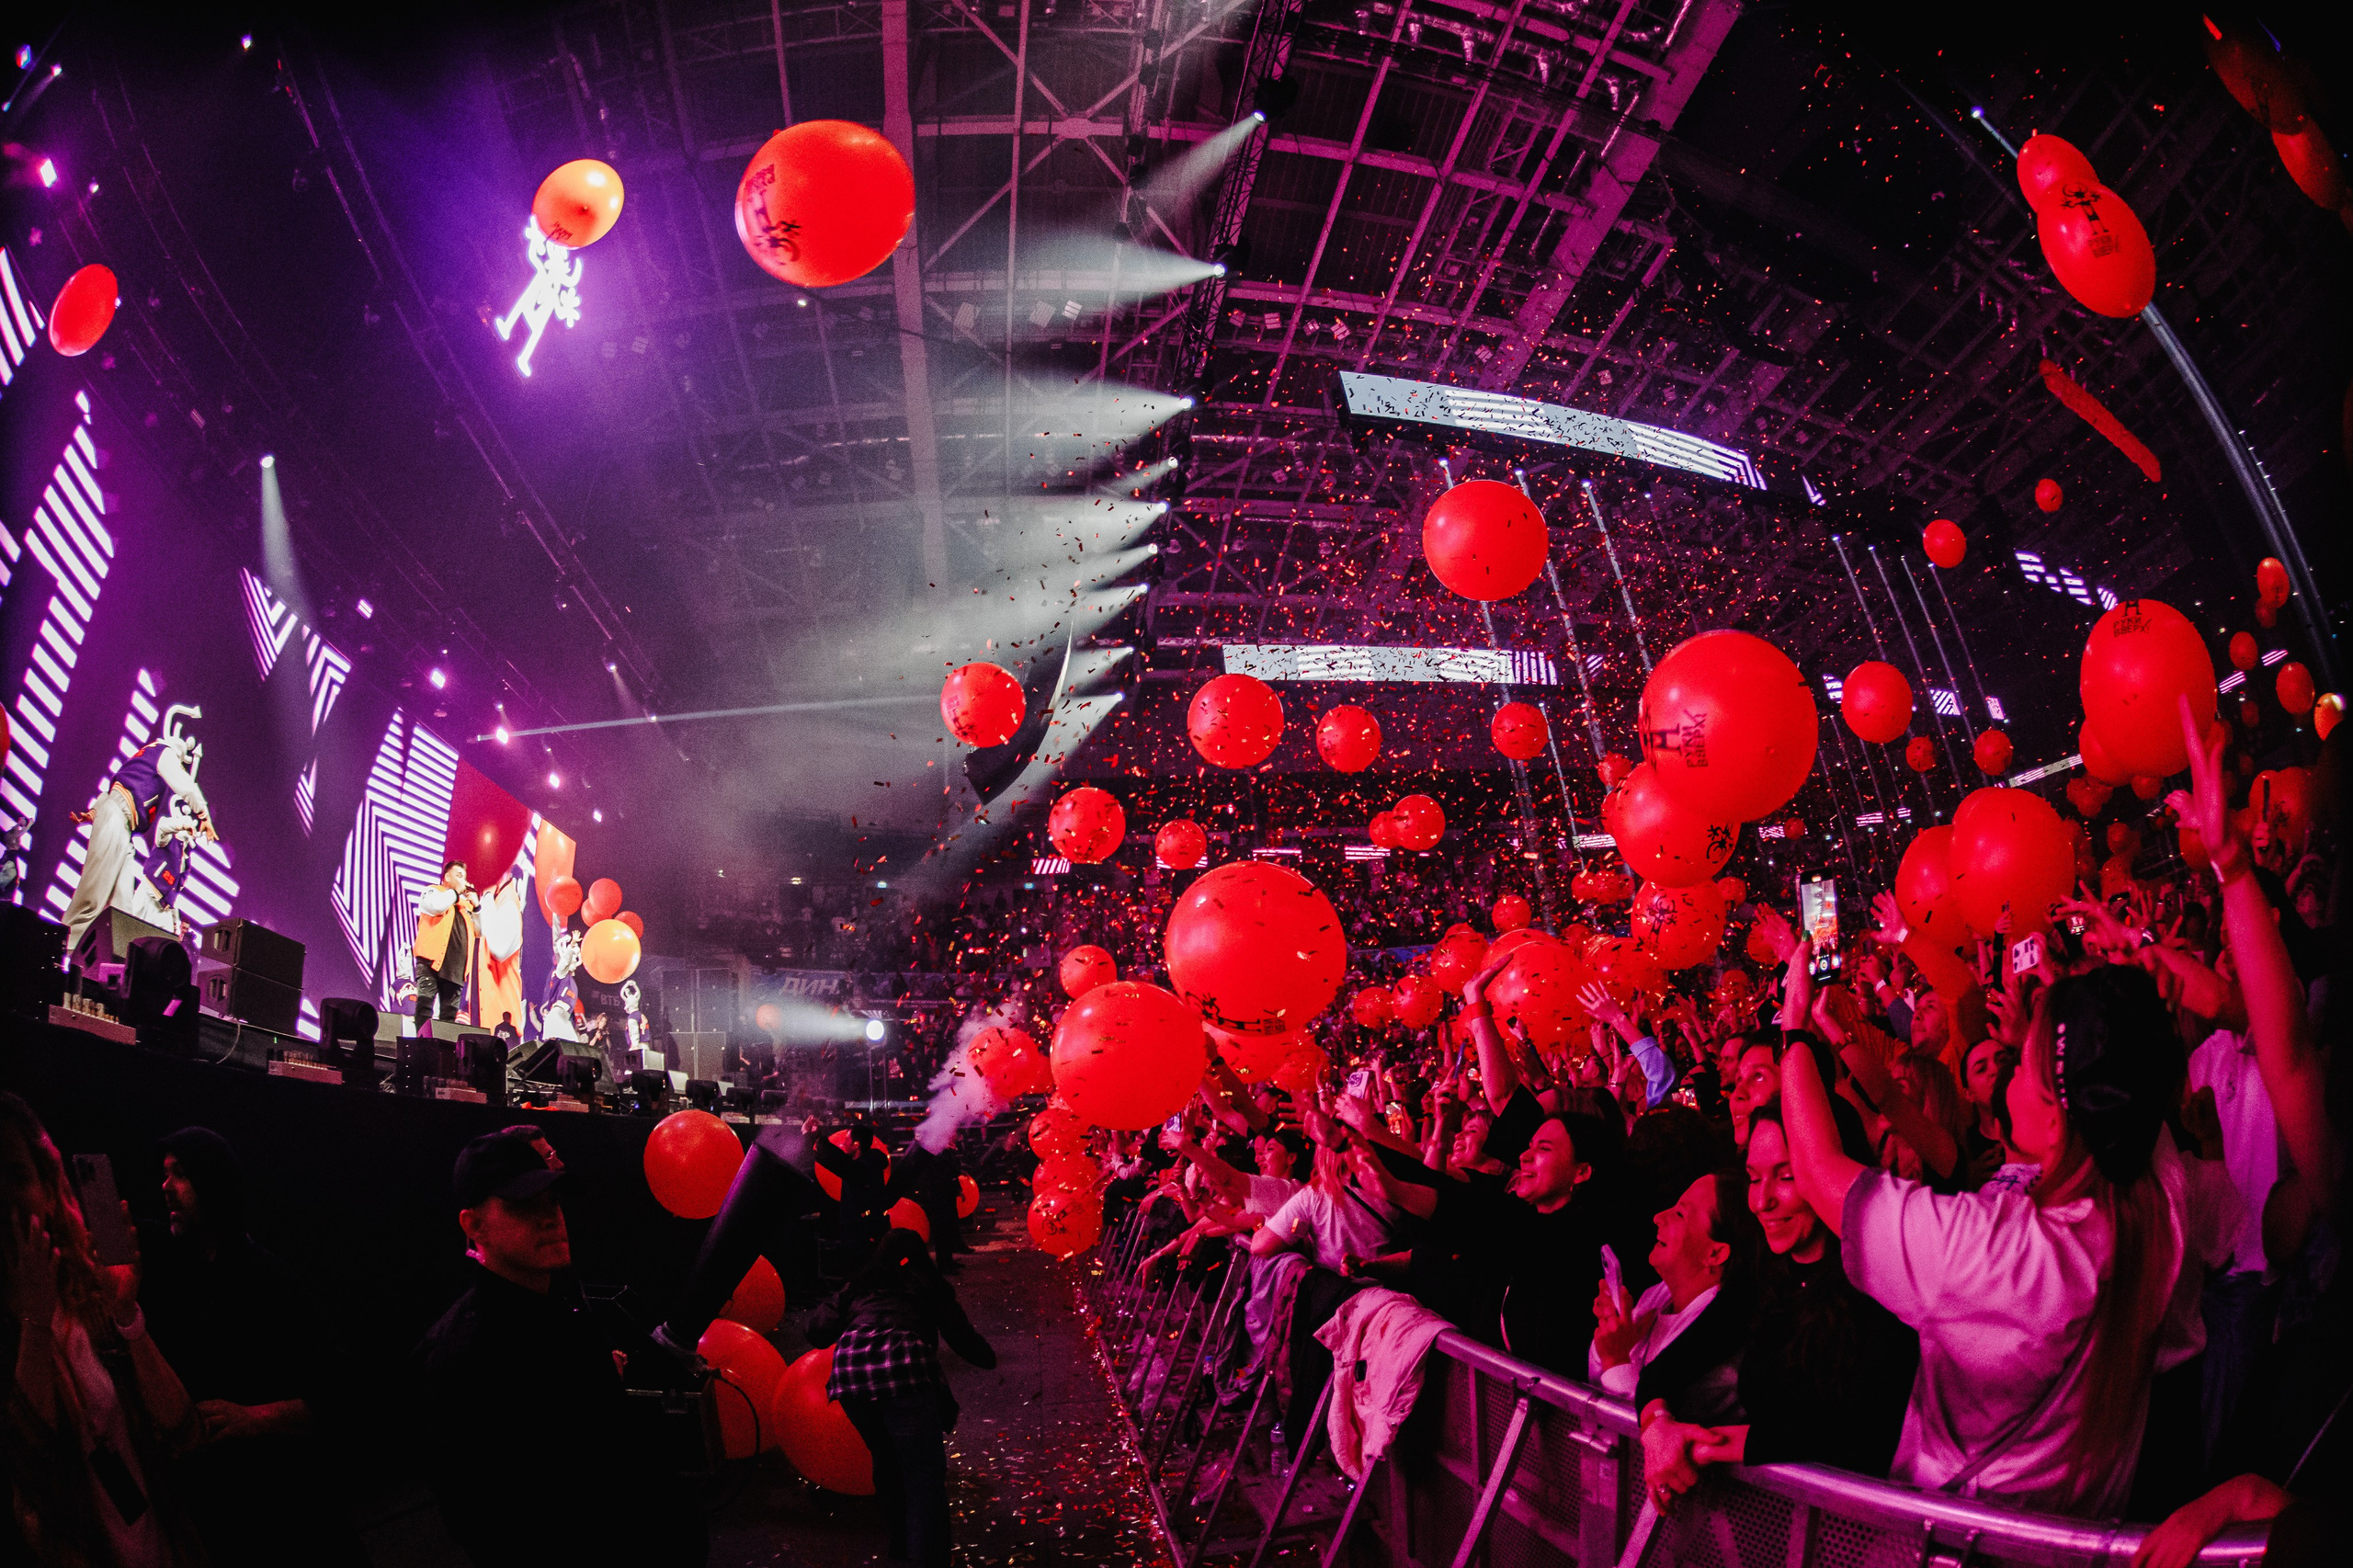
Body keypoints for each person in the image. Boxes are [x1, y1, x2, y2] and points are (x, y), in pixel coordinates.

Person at [1775, 967, 2186, 1517]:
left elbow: (1817, 1172)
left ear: (2056, 1123)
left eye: (2021, 1066)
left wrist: (1796, 1028)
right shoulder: (2160, 1203)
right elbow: (2124, 1076)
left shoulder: (1999, 1255)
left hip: (1959, 1541)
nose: (2006, 1073)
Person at [412, 1130, 703, 1565]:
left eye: (553, 1201)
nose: (551, 1217)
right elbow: (485, 1522)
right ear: (473, 1226)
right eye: (523, 1205)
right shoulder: (463, 1355)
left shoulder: (560, 1299)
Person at [1641, 1101, 1919, 1510]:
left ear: (1833, 1174)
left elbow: (1853, 1433)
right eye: (1754, 1179)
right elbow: (1665, 1370)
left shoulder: (1880, 1282)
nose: (1762, 1201)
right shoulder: (1765, 1274)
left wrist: (1711, 1446)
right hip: (1780, 1523)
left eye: (1786, 1177)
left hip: (1863, 1527)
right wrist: (1659, 1427)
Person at [140, 1128, 363, 1565]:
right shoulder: (162, 1269)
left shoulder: (268, 1282)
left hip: (277, 1508)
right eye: (164, 1173)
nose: (166, 1186)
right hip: (200, 1507)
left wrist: (256, 1418)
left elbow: (342, 1394)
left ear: (213, 1183)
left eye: (180, 1173)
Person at [1, 1092, 205, 1565]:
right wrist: (32, 1322)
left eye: (16, 1176)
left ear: (49, 1189)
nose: (5, 1199)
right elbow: (32, 1470)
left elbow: (183, 1429)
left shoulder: (87, 1297)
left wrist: (128, 1318)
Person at [806, 1231, 996, 1568]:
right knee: (922, 1473)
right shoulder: (927, 1284)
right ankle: (928, 1557)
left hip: (851, 1373)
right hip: (904, 1369)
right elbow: (959, 1334)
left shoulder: (860, 1285)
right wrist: (986, 1356)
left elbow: (817, 1331)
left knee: (885, 1458)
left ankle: (901, 1545)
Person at [1589, 1167, 1760, 1422]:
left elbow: (1652, 1439)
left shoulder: (1719, 1349)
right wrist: (1614, 1330)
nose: (1658, 1217)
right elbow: (1596, 1379)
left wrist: (1616, 1358)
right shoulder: (1659, 1296)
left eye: (1680, 1213)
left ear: (1715, 1254)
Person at [60, 704, 216, 960]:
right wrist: (204, 815)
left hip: (122, 826)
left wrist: (92, 813)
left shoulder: (146, 758)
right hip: (116, 819)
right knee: (93, 894)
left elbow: (118, 787)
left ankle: (109, 963)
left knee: (121, 909)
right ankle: (61, 948)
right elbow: (184, 786)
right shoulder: (163, 753)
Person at [413, 860, 480, 1036]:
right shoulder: (433, 891)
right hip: (431, 964)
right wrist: (455, 893)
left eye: (464, 877)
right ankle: (420, 1048)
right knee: (425, 1008)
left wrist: (477, 907)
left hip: (456, 970)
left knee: (449, 1019)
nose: (463, 881)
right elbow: (436, 907)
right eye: (459, 876)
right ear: (447, 877)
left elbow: (480, 931)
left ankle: (444, 1056)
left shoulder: (465, 906)